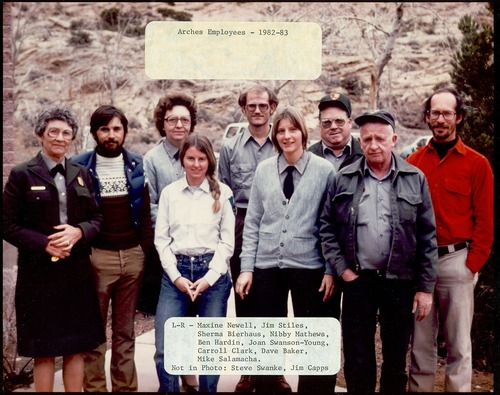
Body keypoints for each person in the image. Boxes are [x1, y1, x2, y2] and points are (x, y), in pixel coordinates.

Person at [319, 109, 438, 393]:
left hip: (400, 280)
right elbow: (326, 227)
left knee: (396, 358)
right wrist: (342, 270)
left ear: (393, 139)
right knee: (358, 358)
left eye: (380, 139)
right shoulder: (343, 178)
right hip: (358, 282)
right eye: (367, 138)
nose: (373, 145)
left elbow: (427, 235)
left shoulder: (414, 178)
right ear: (360, 141)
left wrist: (425, 288)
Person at [3, 107, 105, 392]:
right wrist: (44, 243)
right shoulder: (22, 174)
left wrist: (79, 232)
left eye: (66, 133)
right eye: (54, 132)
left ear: (72, 137)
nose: (60, 138)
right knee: (44, 350)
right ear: (41, 135)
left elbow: (97, 219)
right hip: (39, 276)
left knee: (76, 347)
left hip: (77, 274)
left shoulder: (82, 173)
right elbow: (7, 224)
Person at [236, 106, 336, 393]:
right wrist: (246, 268)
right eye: (280, 130)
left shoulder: (324, 170)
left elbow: (330, 225)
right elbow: (252, 221)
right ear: (274, 135)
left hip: (310, 268)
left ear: (303, 132)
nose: (286, 135)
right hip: (267, 267)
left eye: (292, 129)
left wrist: (330, 269)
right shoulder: (264, 170)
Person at [407, 87, 494, 392]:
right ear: (427, 117)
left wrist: (472, 264)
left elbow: (485, 219)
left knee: (459, 346)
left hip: (458, 262)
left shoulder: (477, 163)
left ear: (458, 117)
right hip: (421, 265)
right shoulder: (414, 162)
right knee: (420, 346)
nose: (440, 119)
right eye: (435, 113)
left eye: (447, 113)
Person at [72, 105, 154, 392]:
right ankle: (94, 388)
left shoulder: (136, 165)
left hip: (132, 257)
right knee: (94, 332)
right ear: (95, 132)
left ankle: (125, 388)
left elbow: (143, 213)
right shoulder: (79, 165)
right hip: (98, 257)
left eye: (116, 129)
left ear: (125, 132)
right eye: (104, 129)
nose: (111, 135)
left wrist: (142, 251)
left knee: (124, 331)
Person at [218, 84, 289, 392]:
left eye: (263, 105)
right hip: (242, 222)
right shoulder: (230, 147)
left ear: (272, 107)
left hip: (278, 223)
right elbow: (221, 191)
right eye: (251, 105)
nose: (258, 110)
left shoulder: (284, 142)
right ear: (243, 108)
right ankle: (248, 370)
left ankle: (274, 371)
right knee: (244, 296)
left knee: (275, 297)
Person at [154, 133, 235, 393]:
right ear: (183, 159)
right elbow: (161, 240)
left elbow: (227, 242)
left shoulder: (222, 194)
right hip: (176, 274)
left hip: (211, 276)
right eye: (190, 158)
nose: (196, 164)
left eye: (202, 159)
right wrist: (175, 276)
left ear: (209, 161)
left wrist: (209, 277)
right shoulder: (170, 193)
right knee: (166, 346)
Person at [142, 91, 200, 392]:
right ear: (162, 124)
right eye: (172, 119)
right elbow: (149, 207)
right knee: (170, 317)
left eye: (184, 119)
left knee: (192, 316)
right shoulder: (151, 160)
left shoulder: (200, 152)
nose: (179, 124)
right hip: (167, 251)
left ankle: (189, 375)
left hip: (198, 251)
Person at [308, 93, 364, 389]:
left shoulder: (366, 153)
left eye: (339, 121)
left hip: (357, 264)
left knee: (356, 340)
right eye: (326, 122)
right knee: (321, 337)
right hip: (320, 262)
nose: (333, 127)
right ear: (319, 126)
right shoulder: (309, 157)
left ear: (350, 123)